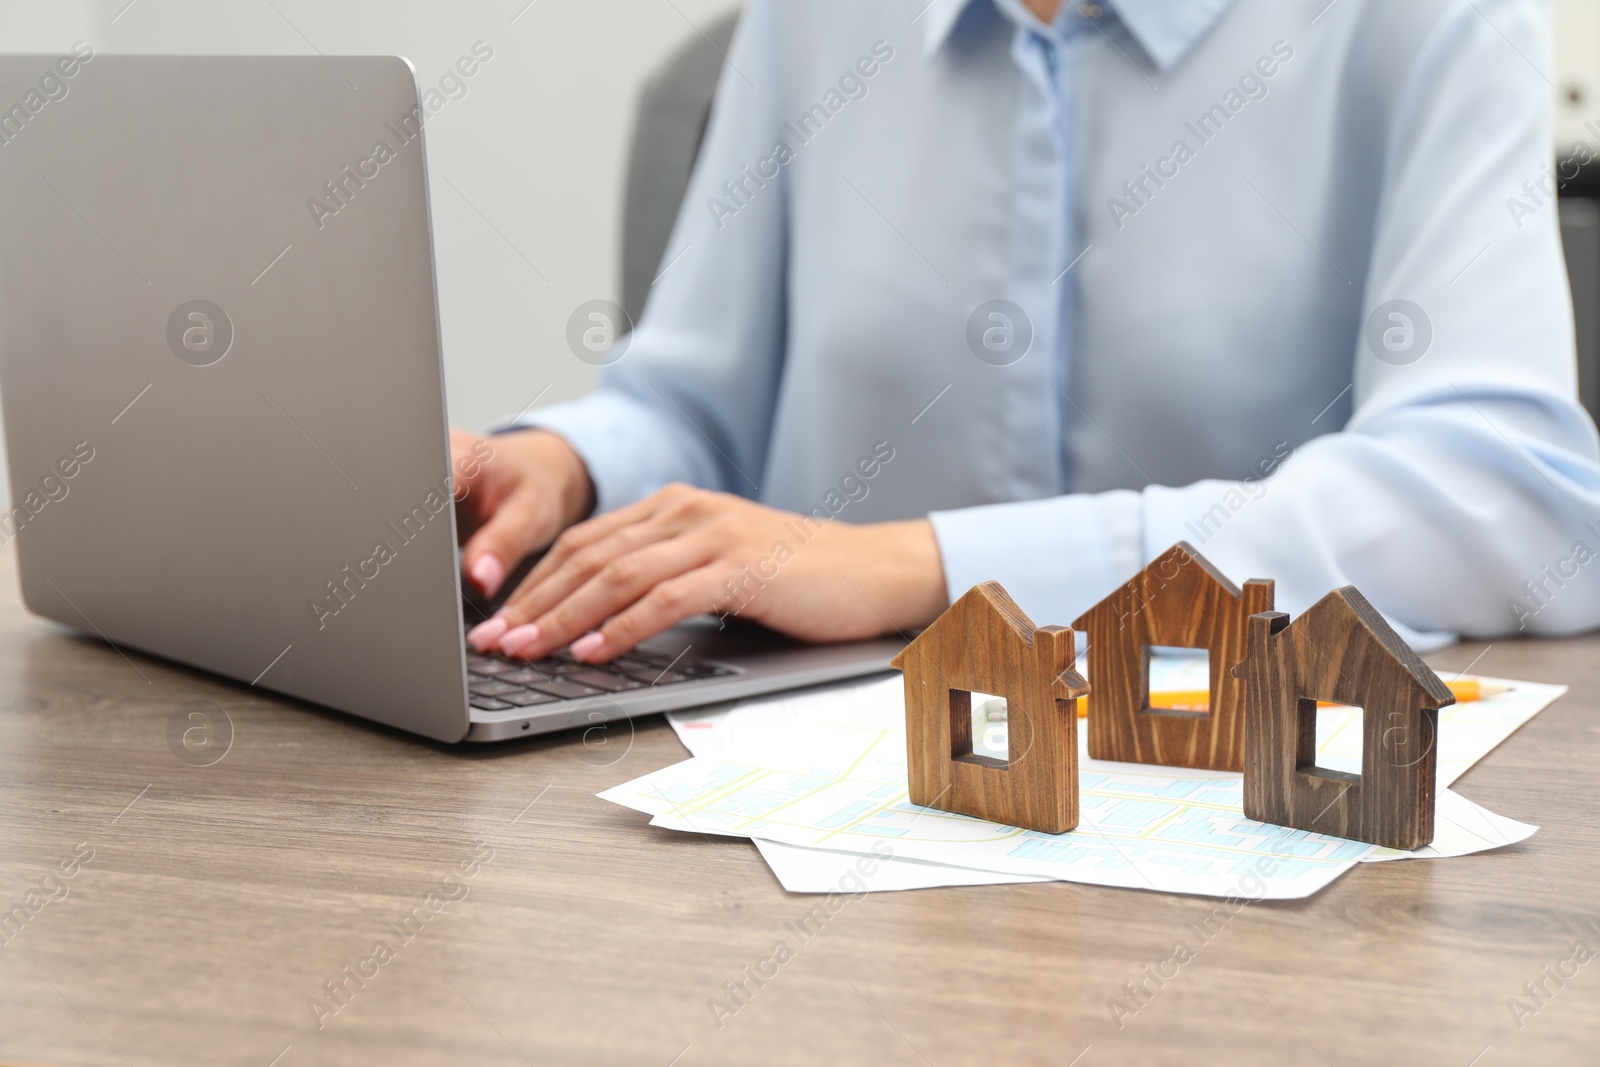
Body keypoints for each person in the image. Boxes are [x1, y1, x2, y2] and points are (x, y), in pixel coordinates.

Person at [452, 0, 1600, 666]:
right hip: (815, 817)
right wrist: (561, 466)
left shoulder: (1430, 22)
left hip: (1243, 830)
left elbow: (1510, 498)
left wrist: (916, 567)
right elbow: (695, 407)